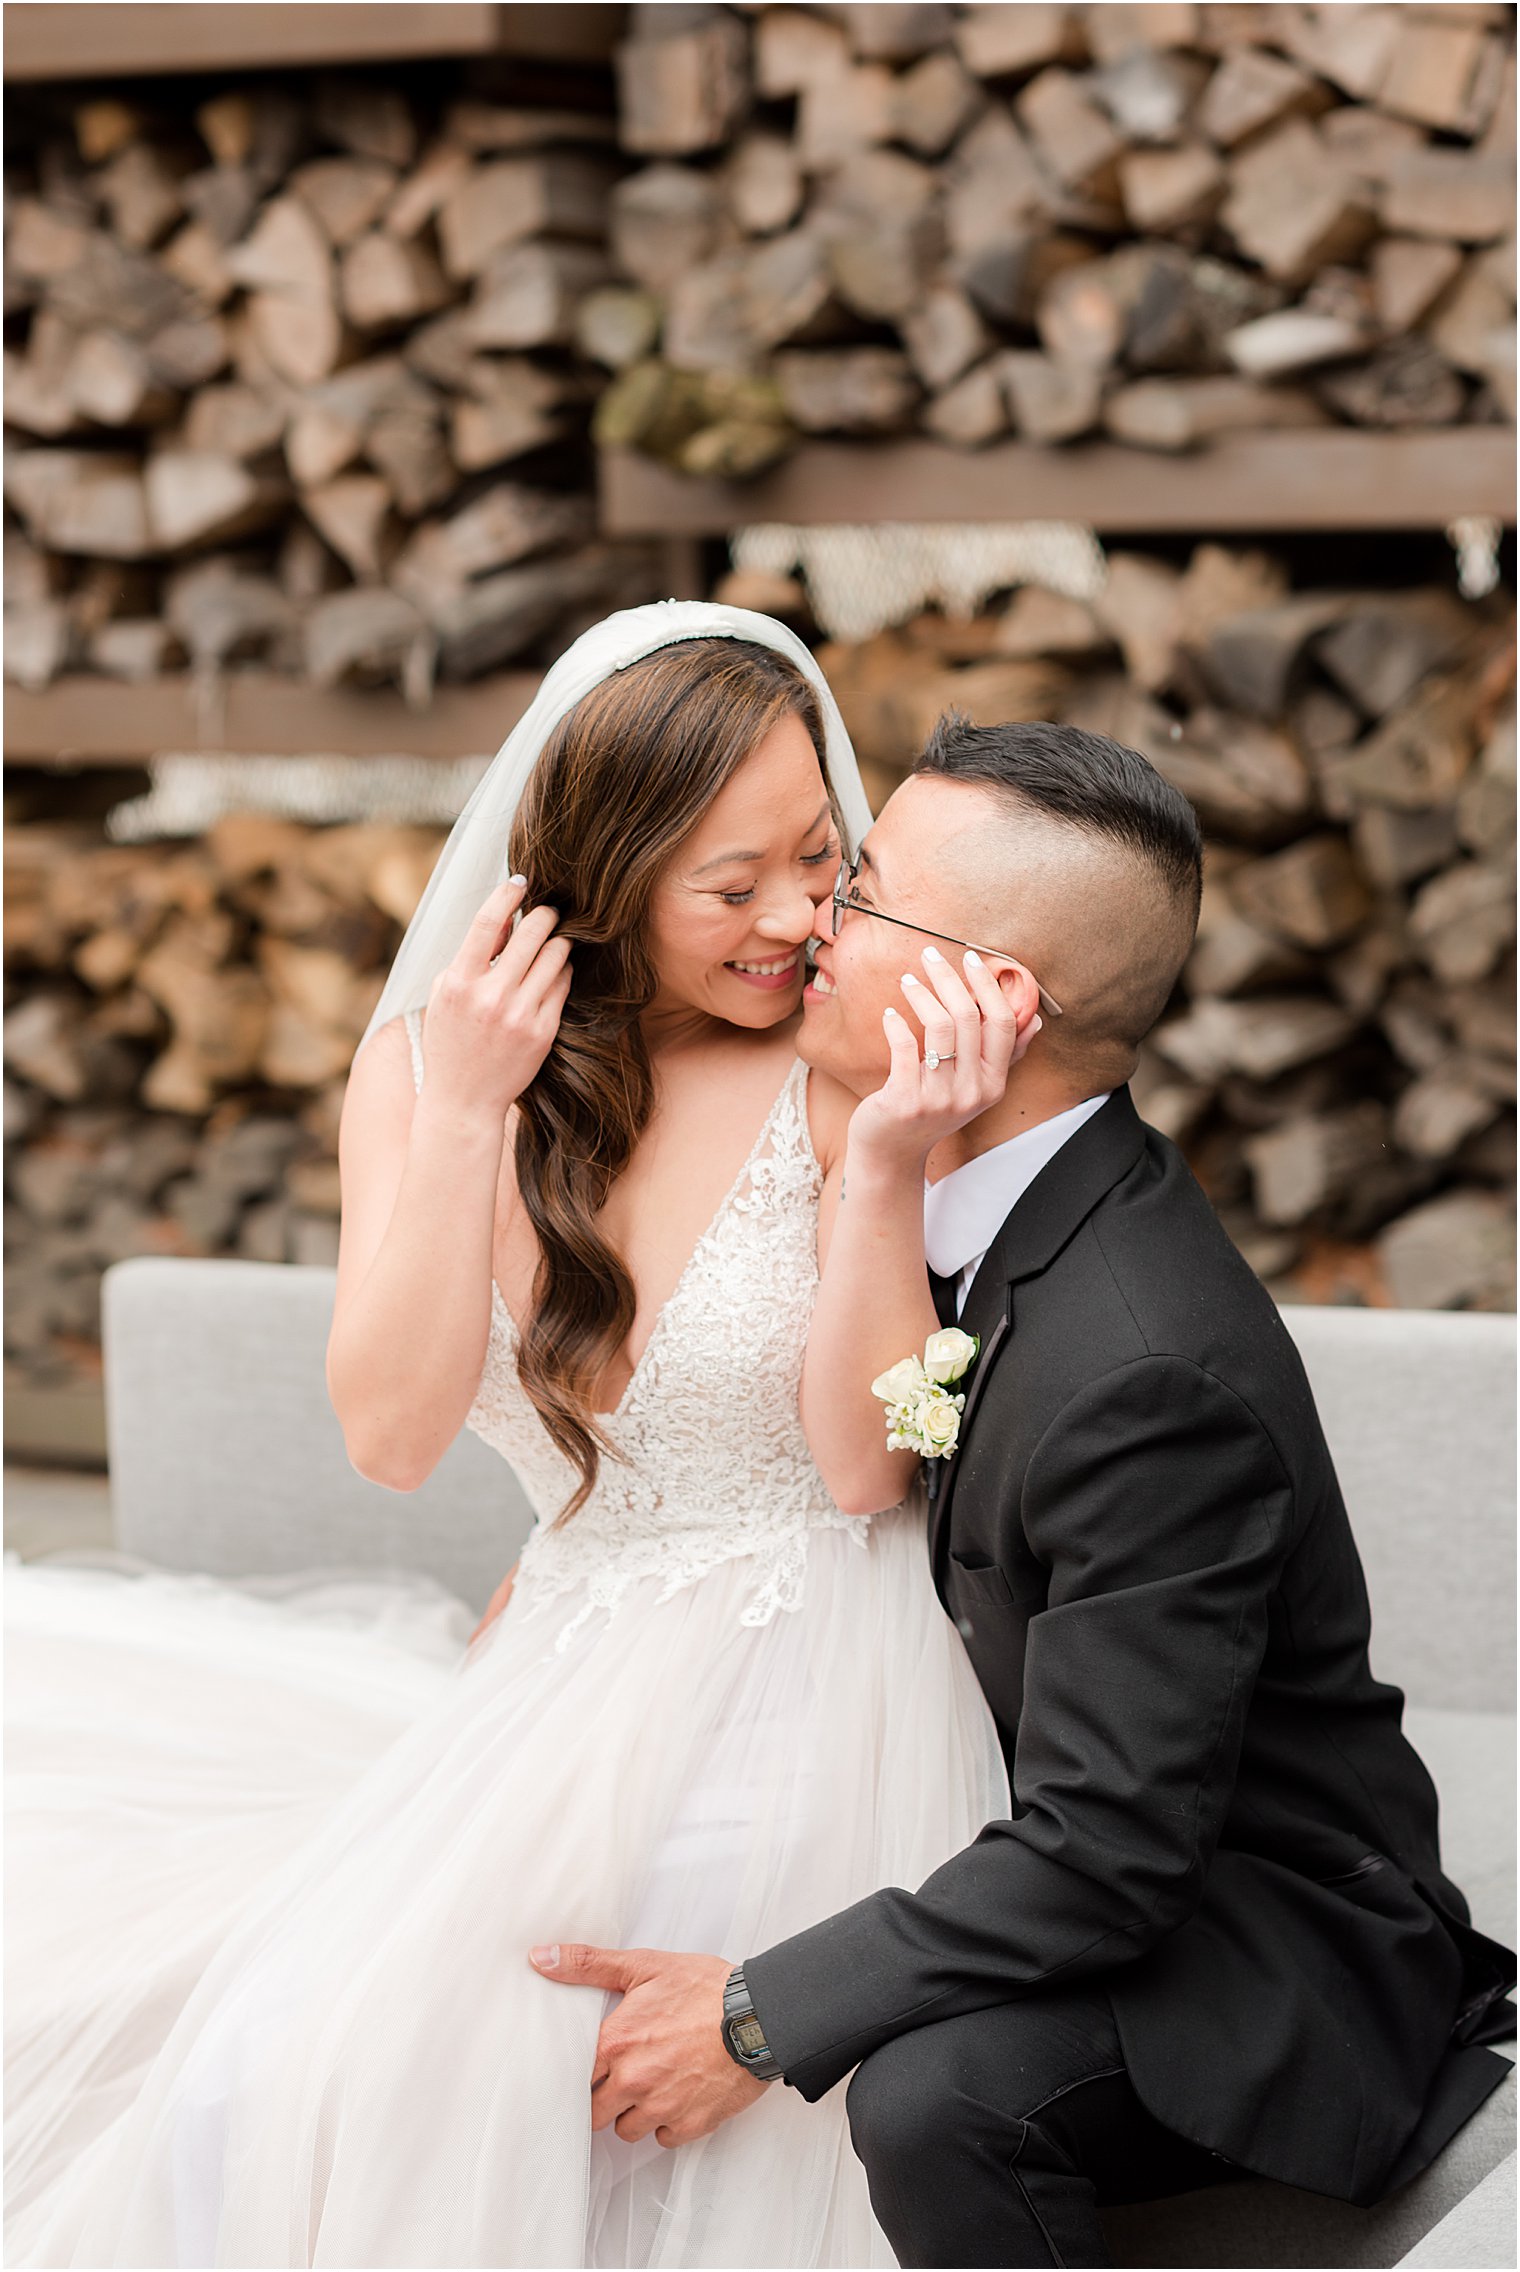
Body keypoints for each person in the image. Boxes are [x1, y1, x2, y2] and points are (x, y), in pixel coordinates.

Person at [4, 604, 1030, 2269]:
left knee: (540, 2072)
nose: (795, 921)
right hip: (564, 1656)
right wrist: (471, 1111)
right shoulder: (425, 1069)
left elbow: (866, 1467)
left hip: (819, 1658)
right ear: (609, 875)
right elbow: (396, 1436)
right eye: (730, 883)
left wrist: (893, 1165)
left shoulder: (844, 1059)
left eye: (821, 860)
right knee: (272, 2068)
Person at [529, 717, 1518, 2270]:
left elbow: (1116, 1848)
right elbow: (887, 1453)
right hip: (1020, 1796)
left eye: (857, 892)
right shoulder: (974, 1187)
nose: (809, 926)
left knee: (932, 2095)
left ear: (987, 999)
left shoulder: (1146, 1368)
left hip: (1250, 1929)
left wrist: (753, 2012)